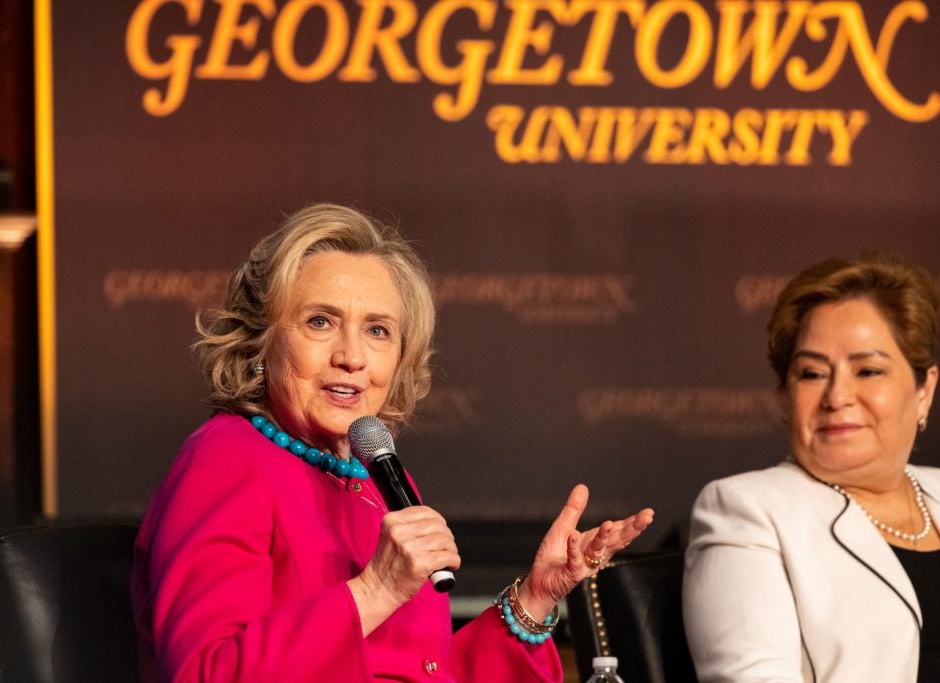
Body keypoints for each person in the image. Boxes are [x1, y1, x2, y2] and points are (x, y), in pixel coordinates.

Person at [131, 203, 654, 682]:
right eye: (320, 322)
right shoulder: (226, 460)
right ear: (260, 341)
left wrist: (535, 598)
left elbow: (425, 671)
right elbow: (205, 671)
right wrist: (375, 591)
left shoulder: (379, 478)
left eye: (377, 331)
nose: (352, 356)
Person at [682, 253, 940, 682]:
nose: (837, 395)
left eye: (868, 370)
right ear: (785, 395)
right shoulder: (745, 511)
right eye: (812, 373)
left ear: (924, 389)